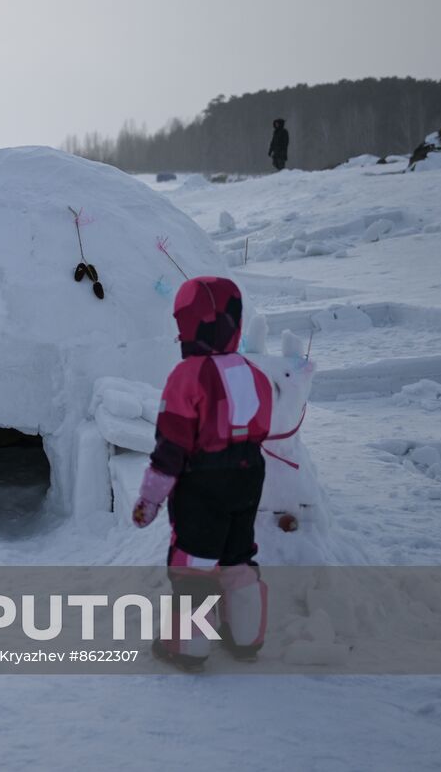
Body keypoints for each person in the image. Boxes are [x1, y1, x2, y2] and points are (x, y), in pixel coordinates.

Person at [131, 276, 273, 671]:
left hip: (203, 480)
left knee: (193, 560)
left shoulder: (187, 376)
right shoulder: (254, 374)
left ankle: (189, 646)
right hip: (249, 474)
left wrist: (150, 498)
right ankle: (246, 637)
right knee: (238, 554)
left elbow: (171, 447)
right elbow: (263, 428)